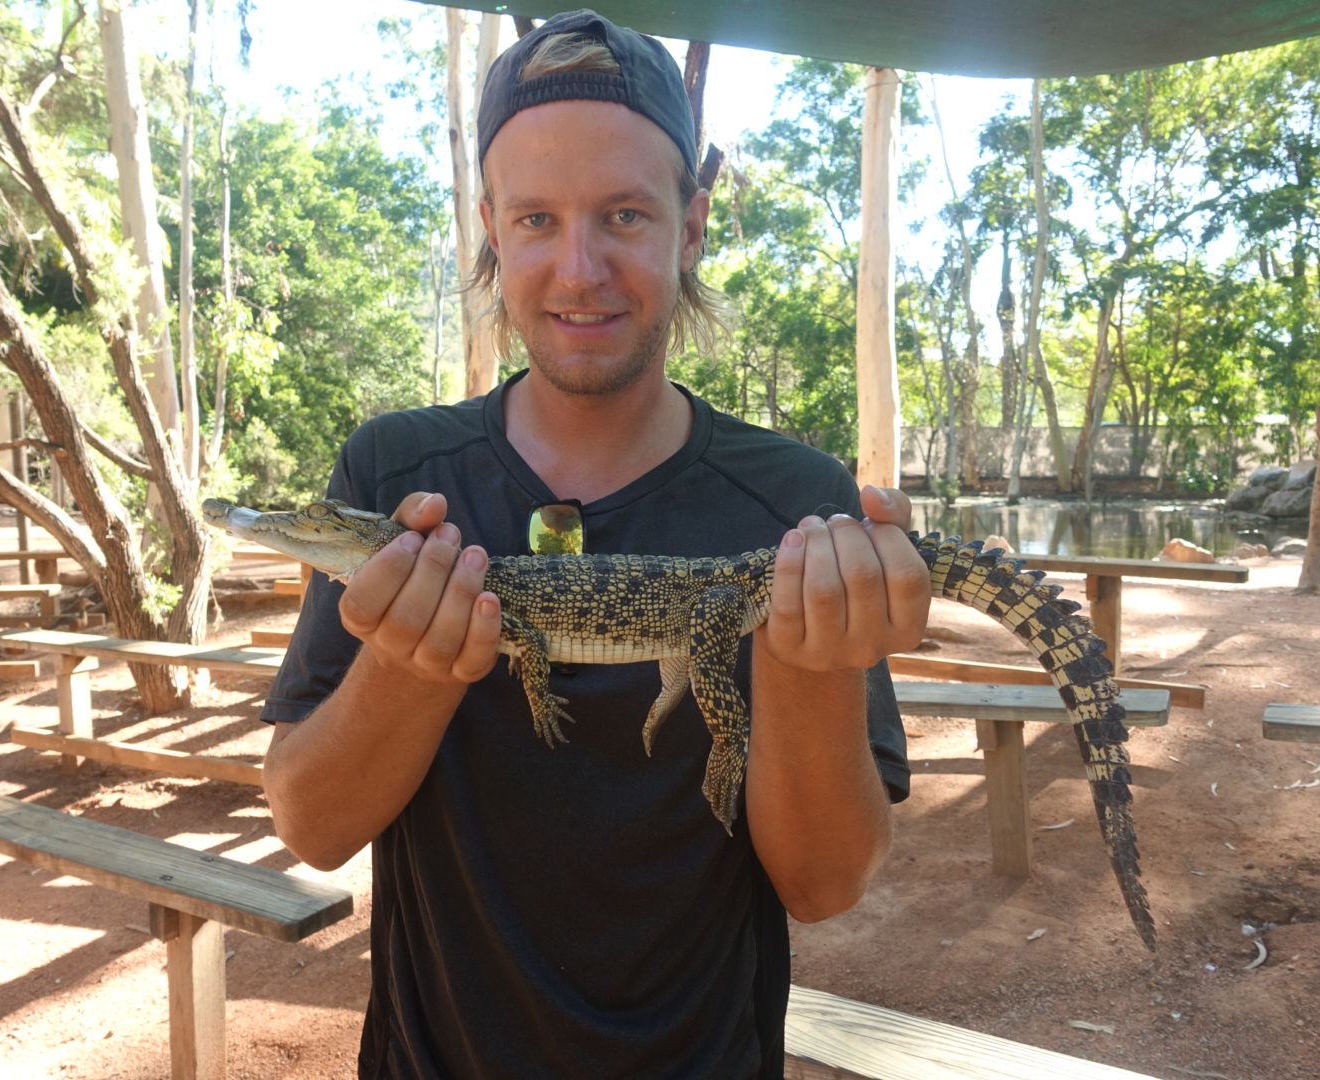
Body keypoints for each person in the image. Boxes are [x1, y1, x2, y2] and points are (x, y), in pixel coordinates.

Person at [260, 10, 930, 1078]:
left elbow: (823, 884)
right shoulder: (394, 471)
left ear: (690, 226)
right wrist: (408, 667)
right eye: (536, 218)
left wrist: (804, 667)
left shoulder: (796, 501)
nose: (579, 269)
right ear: (491, 228)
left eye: (623, 214)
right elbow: (312, 826)